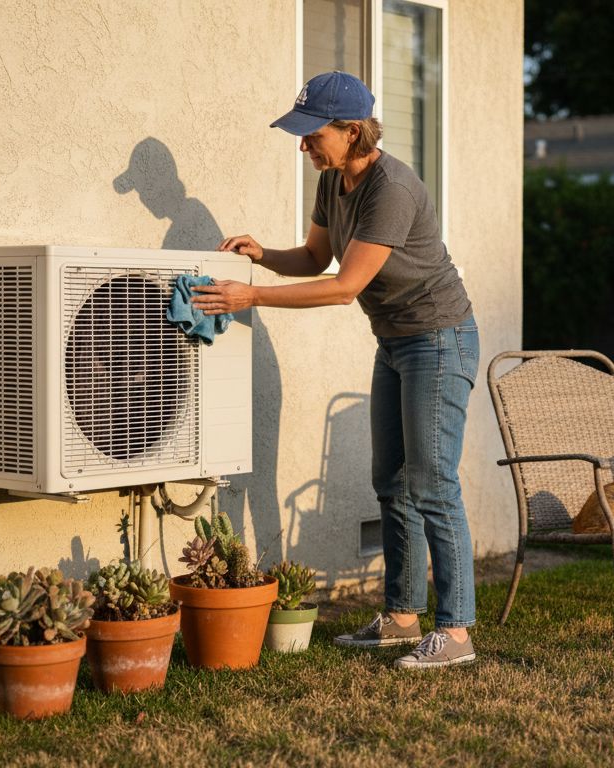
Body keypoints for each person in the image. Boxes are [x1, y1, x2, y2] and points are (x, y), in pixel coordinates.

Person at [192, 71, 479, 669]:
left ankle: (455, 632)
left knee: (431, 484)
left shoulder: (391, 188)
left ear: (353, 131)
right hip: (396, 340)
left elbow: (345, 286)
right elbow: (317, 257)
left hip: (438, 338)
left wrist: (252, 299)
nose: (303, 146)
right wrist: (263, 256)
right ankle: (402, 617)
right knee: (391, 481)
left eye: (312, 134)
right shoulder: (333, 181)